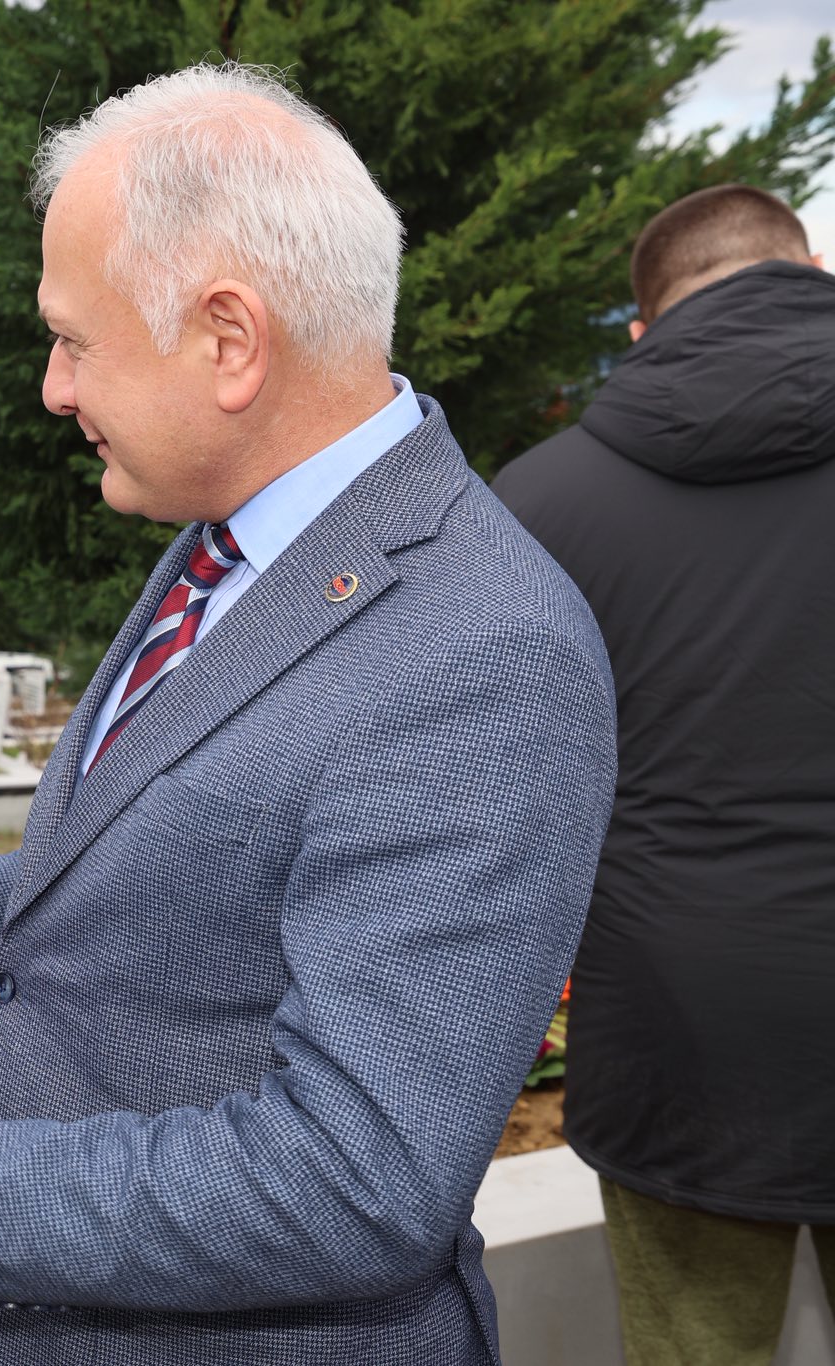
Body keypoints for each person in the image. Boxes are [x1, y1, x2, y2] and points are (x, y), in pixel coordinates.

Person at [0, 63, 616, 1364]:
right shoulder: (239, 532)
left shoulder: (483, 648)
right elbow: (222, 849)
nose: (55, 387)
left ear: (229, 340)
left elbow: (355, 1174)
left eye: (75, 337)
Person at [493, 185, 835, 1364]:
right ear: (813, 269)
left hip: (678, 1039)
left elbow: (503, 798)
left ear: (640, 333)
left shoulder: (534, 506)